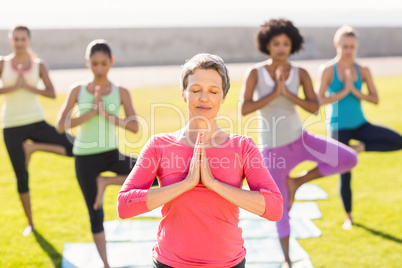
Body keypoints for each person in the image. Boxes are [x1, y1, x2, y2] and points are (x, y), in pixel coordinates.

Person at [117, 53, 283, 268]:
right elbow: (125, 206)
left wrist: (214, 184)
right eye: (195, 90)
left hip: (228, 264)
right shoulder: (159, 145)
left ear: (223, 97)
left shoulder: (243, 147)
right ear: (184, 94)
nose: (204, 98)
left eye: (213, 91)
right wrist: (186, 183)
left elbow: (275, 208)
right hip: (170, 263)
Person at [240, 19, 358, 267]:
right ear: (267, 45)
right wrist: (274, 93)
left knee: (349, 158)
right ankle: (288, 261)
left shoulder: (300, 73)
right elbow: (244, 108)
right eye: (276, 43)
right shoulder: (255, 73)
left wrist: (287, 94)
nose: (281, 48)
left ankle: (297, 182)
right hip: (273, 151)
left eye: (285, 43)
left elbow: (314, 108)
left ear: (292, 45)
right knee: (280, 211)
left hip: (302, 140)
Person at [56, 39, 148, 268]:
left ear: (111, 62)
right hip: (84, 158)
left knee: (152, 174)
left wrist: (108, 115)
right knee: (95, 213)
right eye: (94, 64)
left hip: (110, 153)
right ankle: (106, 264)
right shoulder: (77, 90)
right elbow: (60, 125)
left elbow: (135, 127)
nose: (99, 69)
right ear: (87, 62)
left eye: (103, 63)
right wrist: (90, 113)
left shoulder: (121, 92)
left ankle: (106, 182)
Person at [315, 25, 402, 230]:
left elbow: (375, 99)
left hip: (360, 124)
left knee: (398, 140)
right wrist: (344, 90)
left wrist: (355, 90)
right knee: (345, 172)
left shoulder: (362, 70)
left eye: (352, 47)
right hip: (338, 127)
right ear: (337, 45)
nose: (348, 50)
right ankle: (349, 217)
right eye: (344, 46)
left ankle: (361, 148)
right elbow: (318, 100)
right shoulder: (328, 70)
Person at [0, 25, 74, 236]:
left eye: (23, 39)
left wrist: (29, 87)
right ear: (11, 40)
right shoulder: (3, 63)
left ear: (29, 40)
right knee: (21, 177)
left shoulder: (38, 65)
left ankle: (33, 149)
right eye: (16, 39)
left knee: (74, 146)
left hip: (35, 121)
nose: (19, 42)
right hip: (11, 125)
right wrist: (14, 87)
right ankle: (30, 224)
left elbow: (51, 93)